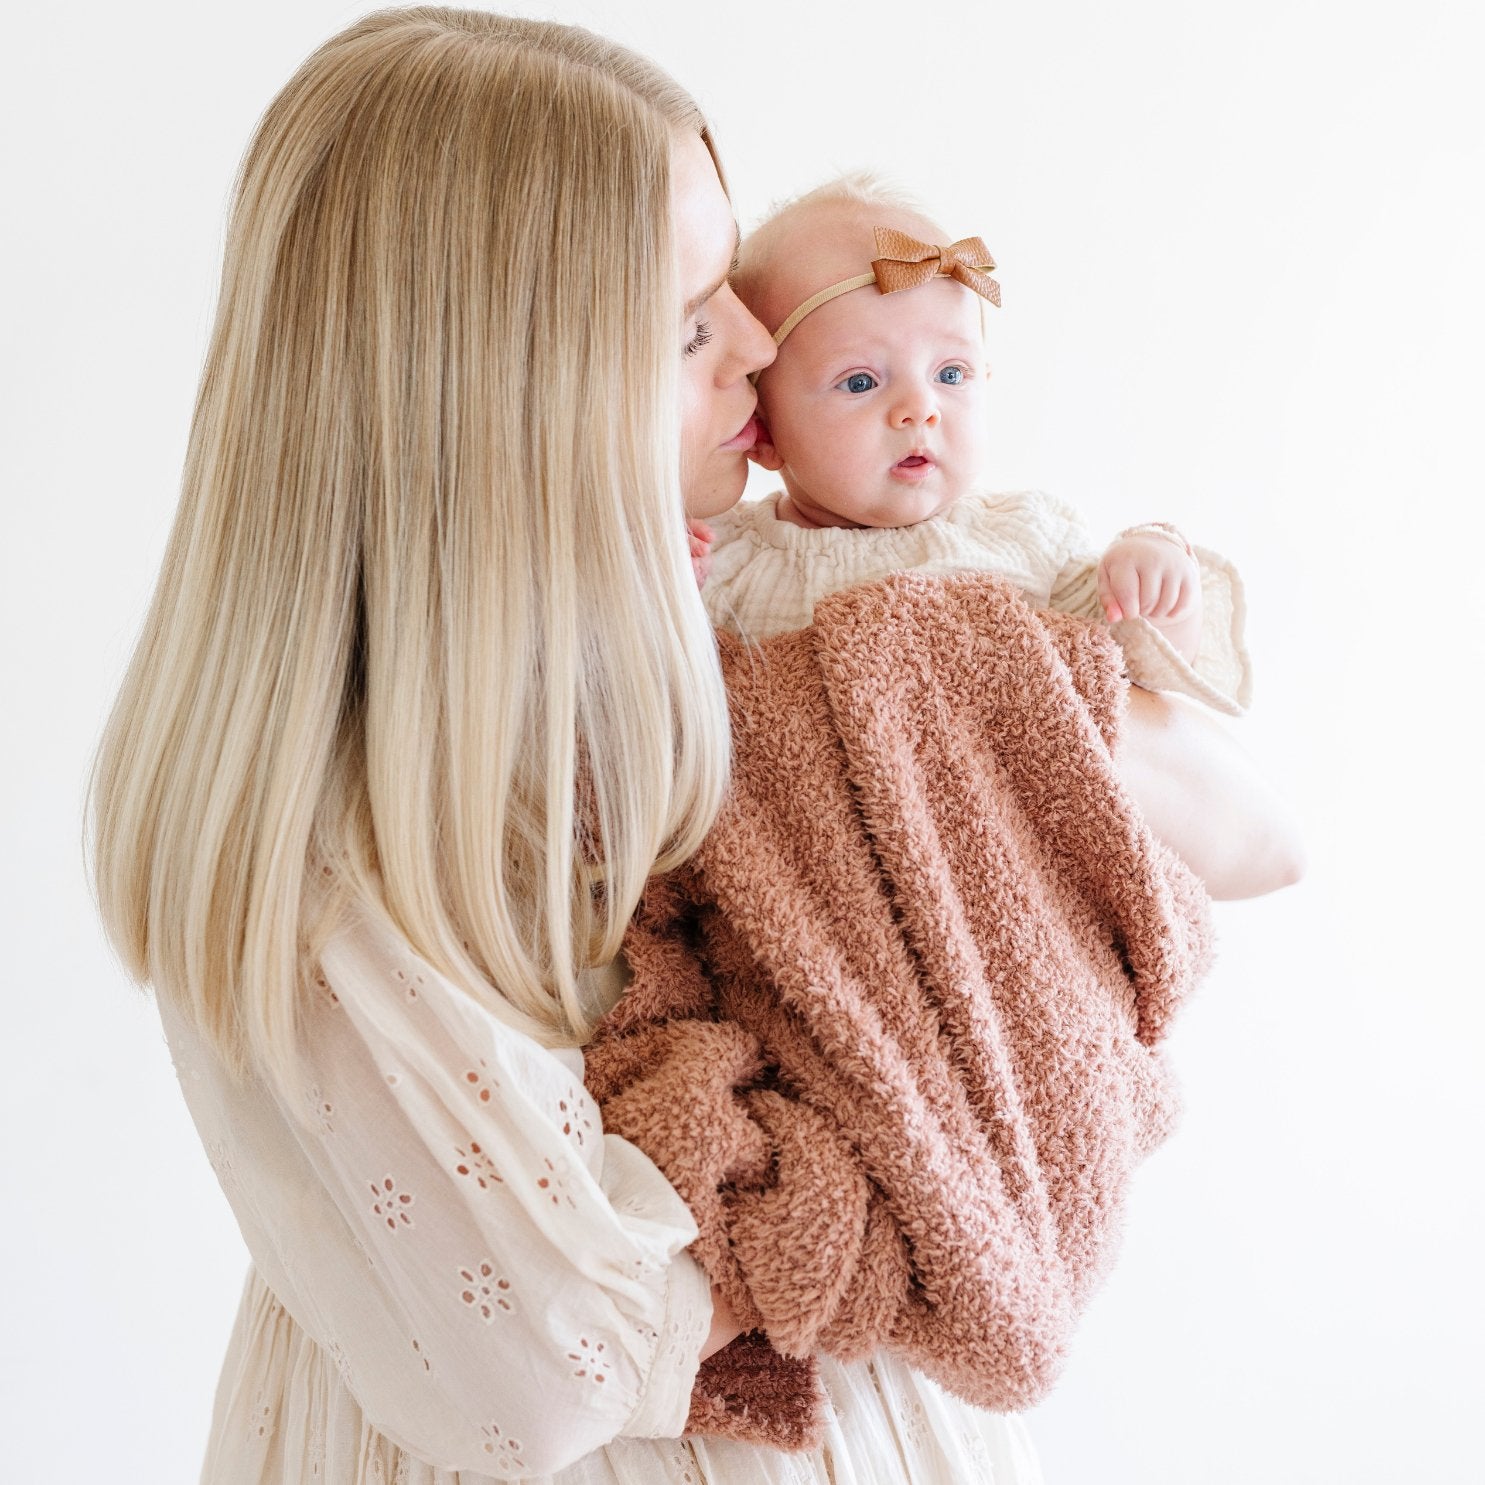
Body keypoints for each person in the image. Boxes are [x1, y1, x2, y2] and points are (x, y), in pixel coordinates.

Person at [87, 9, 1300, 1483]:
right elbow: (549, 1371)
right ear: (503, 390)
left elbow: (1246, 843)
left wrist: (968, 696)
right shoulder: (349, 826)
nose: (756, 345)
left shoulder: (744, 645)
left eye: (731, 291)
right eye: (686, 322)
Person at [699, 174, 1251, 720]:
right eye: (861, 382)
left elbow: (1133, 678)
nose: (920, 408)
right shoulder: (726, 561)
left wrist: (1157, 590)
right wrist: (674, 579)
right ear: (765, 431)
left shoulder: (1023, 540)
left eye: (951, 372)